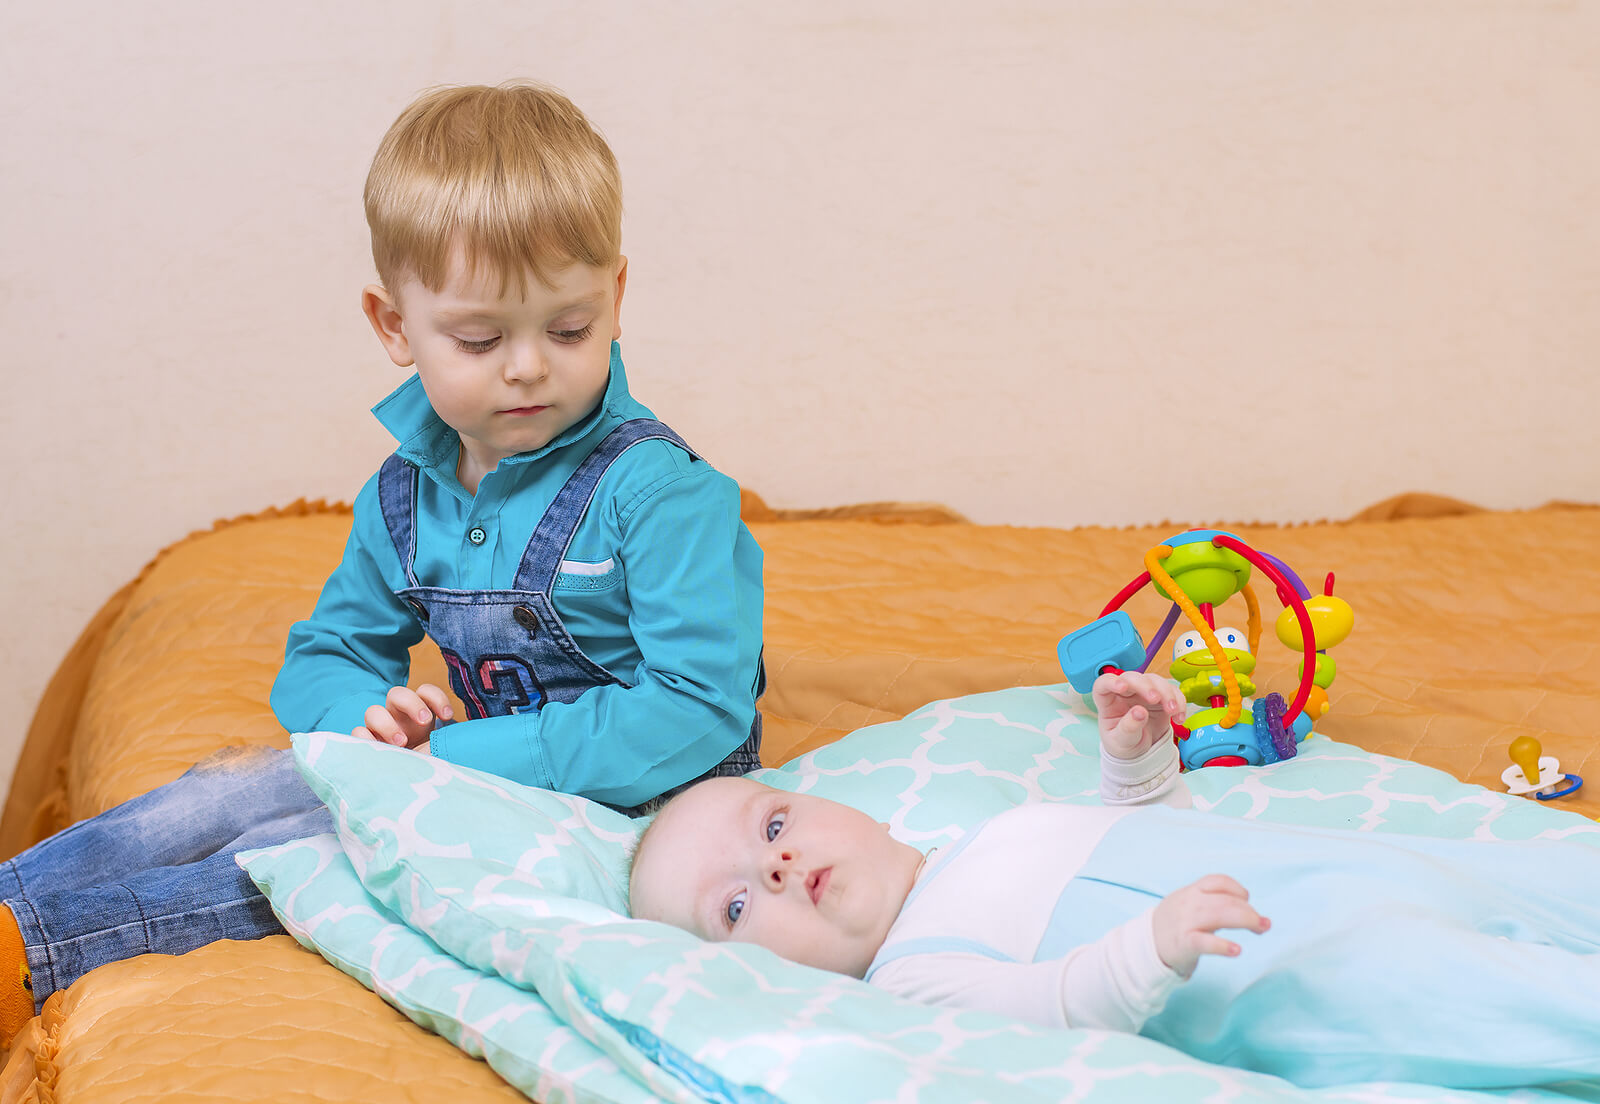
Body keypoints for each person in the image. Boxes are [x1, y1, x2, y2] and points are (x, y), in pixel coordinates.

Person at [0, 81, 765, 1043]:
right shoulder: (406, 495)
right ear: (394, 327)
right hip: (448, 776)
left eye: (568, 329)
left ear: (615, 294)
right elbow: (328, 651)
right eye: (480, 338)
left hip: (629, 809)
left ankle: (37, 950)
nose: (528, 366)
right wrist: (365, 729)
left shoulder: (661, 496)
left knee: (303, 850)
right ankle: (11, 902)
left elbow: (699, 705)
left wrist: (452, 759)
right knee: (231, 788)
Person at [629, 671, 1600, 1090]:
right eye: (738, 903)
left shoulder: (987, 831)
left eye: (774, 824)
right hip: (1296, 971)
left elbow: (1140, 840)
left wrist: (1136, 767)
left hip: (1342, 868)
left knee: (1547, 878)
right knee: (1518, 1001)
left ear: (842, 809)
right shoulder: (911, 977)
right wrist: (1153, 947)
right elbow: (1056, 1005)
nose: (777, 863)